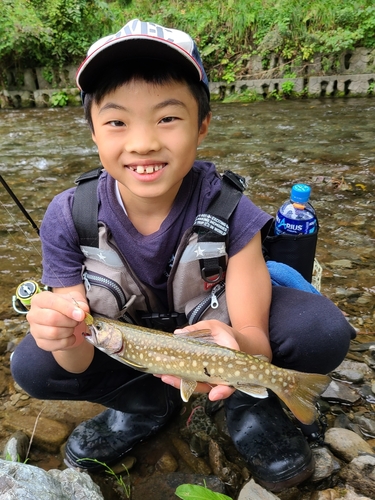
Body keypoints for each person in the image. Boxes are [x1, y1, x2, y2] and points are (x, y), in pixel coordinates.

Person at [11, 19, 356, 493]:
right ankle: (147, 405)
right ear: (93, 132)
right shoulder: (68, 215)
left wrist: (238, 344)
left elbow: (254, 335)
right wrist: (62, 334)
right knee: (35, 362)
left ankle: (247, 404)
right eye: (116, 121)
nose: (143, 142)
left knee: (321, 330)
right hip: (132, 348)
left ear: (203, 126)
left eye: (168, 117)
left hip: (215, 342)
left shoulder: (233, 211)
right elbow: (75, 359)